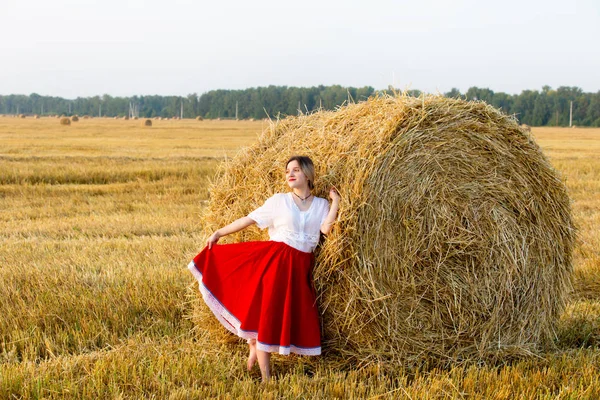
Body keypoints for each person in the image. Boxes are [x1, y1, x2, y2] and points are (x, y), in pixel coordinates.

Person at [188, 155, 340, 382]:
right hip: (275, 264)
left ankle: (253, 345)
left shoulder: (321, 205)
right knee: (267, 316)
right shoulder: (279, 201)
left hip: (299, 268)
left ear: (308, 174)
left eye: (296, 170)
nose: (290, 174)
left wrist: (335, 201)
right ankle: (267, 377)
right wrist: (219, 232)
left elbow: (327, 229)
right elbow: (249, 220)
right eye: (288, 170)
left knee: (288, 313)